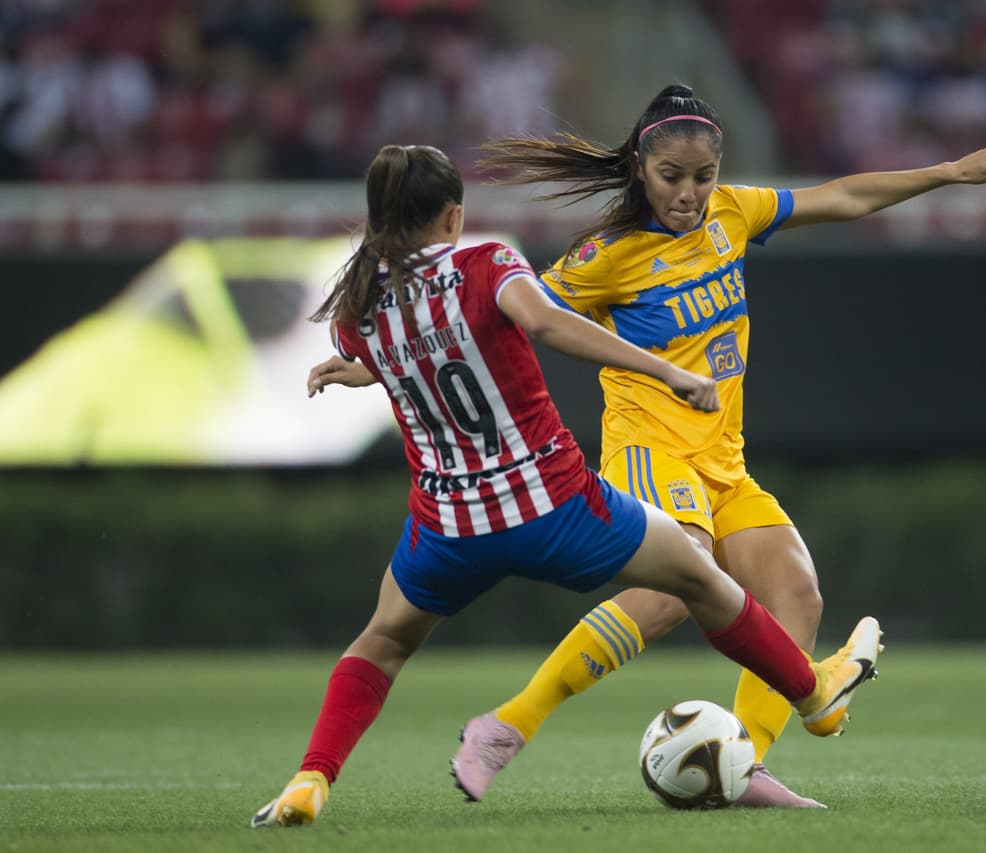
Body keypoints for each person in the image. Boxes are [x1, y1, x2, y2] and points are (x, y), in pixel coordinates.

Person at [310, 85, 986, 809]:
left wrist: (947, 172)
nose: (689, 193)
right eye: (671, 177)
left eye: (702, 177)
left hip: (724, 457)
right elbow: (495, 322)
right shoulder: (607, 255)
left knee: (796, 595)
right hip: (650, 449)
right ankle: (508, 724)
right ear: (640, 172)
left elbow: (841, 197)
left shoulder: (735, 213)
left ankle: (742, 767)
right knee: (667, 597)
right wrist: (374, 364)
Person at [250, 143, 881, 828]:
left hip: (449, 527)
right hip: (555, 507)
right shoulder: (484, 263)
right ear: (453, 216)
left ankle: (311, 779)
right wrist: (666, 370)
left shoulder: (358, 313)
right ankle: (812, 693)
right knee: (703, 581)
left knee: (381, 642)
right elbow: (546, 321)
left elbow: (407, 345)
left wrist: (359, 366)